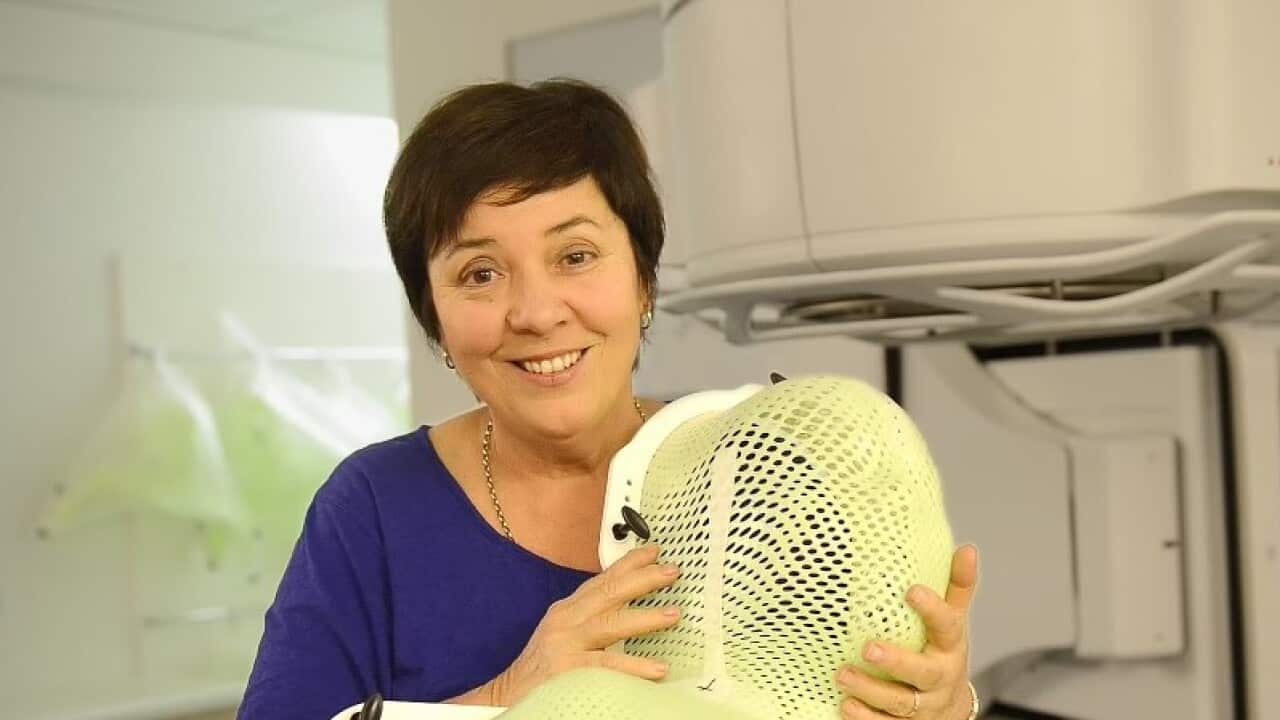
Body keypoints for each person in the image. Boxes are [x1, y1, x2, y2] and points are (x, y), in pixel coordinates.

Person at [237, 79, 980, 720]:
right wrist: (510, 695)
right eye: (479, 274)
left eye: (575, 256)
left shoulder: (764, 479)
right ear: (434, 318)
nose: (535, 311)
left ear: (644, 280)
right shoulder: (374, 508)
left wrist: (942, 705)